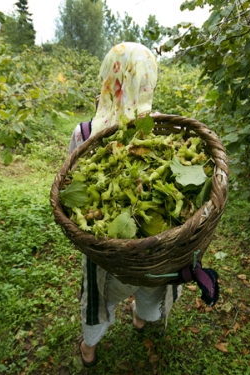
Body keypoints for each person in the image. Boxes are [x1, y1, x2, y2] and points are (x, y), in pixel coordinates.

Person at [67, 42, 182, 368]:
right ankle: (141, 320)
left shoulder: (86, 132)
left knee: (98, 296)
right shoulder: (161, 128)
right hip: (155, 248)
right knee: (151, 288)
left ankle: (89, 349)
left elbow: (69, 183)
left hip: (104, 247)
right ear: (149, 81)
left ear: (107, 77)